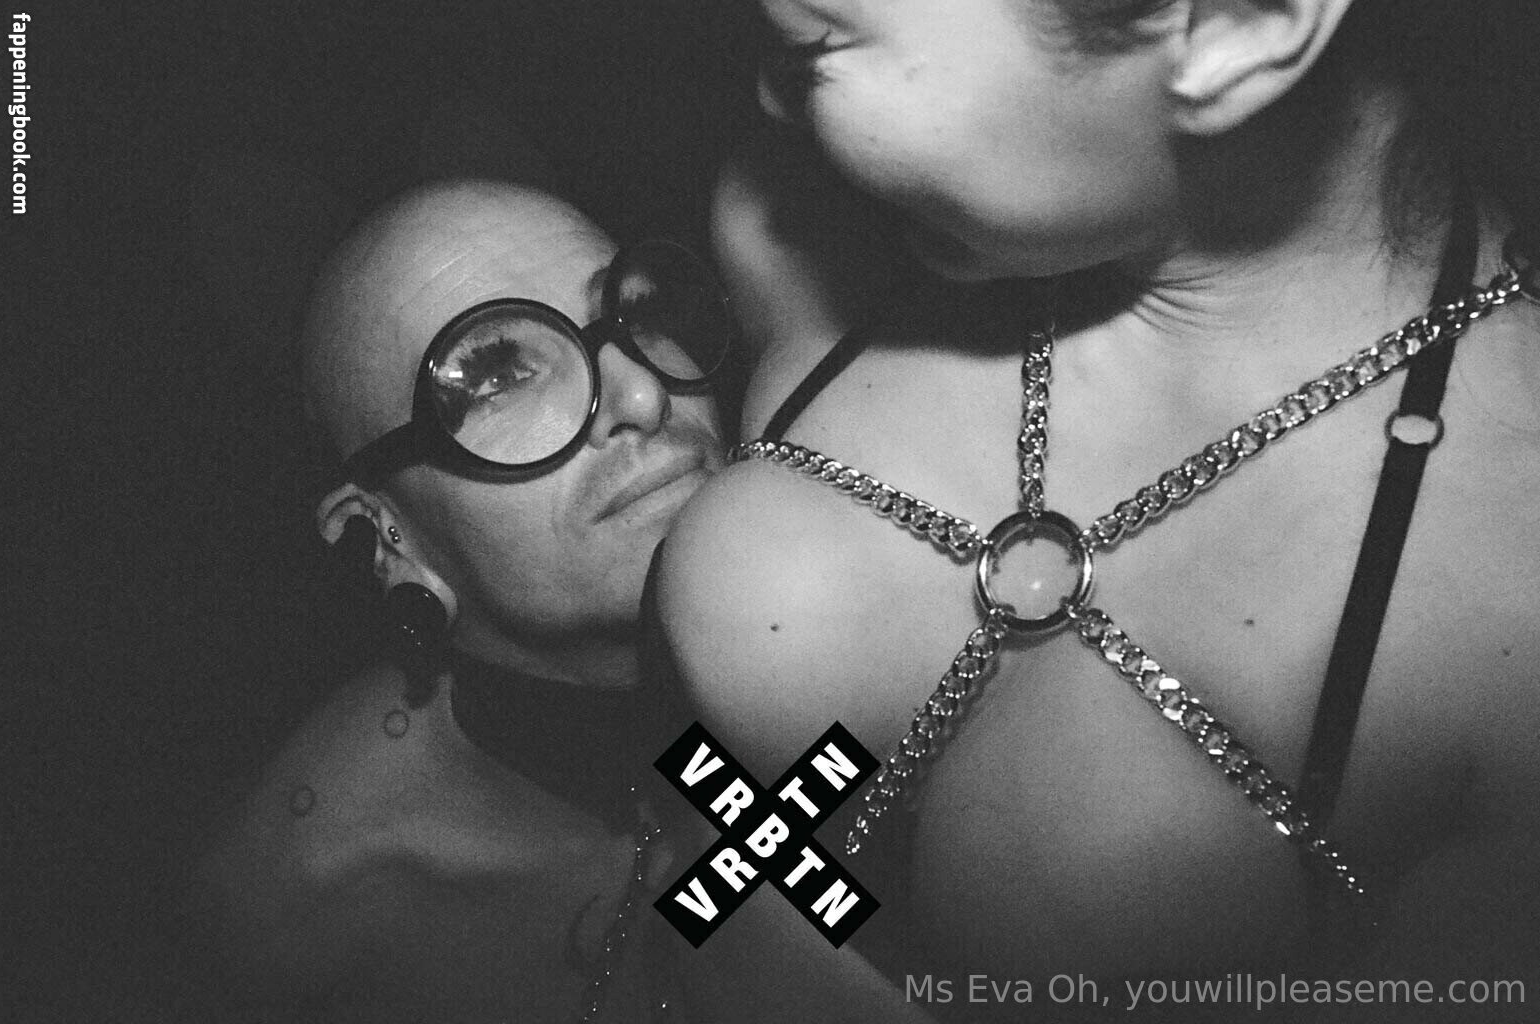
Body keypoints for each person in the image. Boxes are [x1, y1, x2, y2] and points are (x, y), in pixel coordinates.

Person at [658, 1, 1540, 1019]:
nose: (772, 95)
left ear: (1236, 24)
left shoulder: (1509, 589)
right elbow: (711, 835)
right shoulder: (793, 229)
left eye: (817, 44)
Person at [185, 177, 730, 1023]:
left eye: (638, 314)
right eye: (495, 375)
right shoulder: (307, 922)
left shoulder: (895, 623)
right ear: (386, 535)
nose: (642, 395)